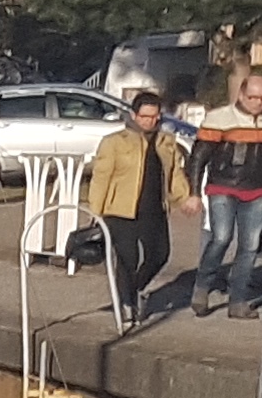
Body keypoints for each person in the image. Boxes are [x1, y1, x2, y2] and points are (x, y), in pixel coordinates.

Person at [84, 88, 195, 322]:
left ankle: (133, 291)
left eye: (155, 117)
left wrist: (184, 198)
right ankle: (126, 305)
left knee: (160, 254)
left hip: (154, 209)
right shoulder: (114, 142)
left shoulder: (166, 142)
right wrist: (96, 211)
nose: (150, 121)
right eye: (145, 116)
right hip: (120, 209)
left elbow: (174, 174)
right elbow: (101, 177)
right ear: (134, 115)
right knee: (128, 259)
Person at [190, 67, 262, 317]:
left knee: (250, 246)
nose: (258, 103)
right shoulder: (218, 118)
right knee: (221, 238)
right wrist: (193, 192)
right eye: (253, 97)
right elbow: (199, 157)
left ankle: (238, 301)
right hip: (222, 186)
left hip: (258, 191)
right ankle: (202, 287)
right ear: (242, 95)